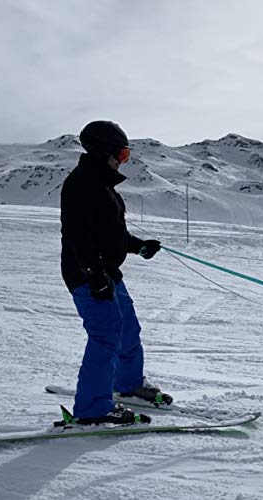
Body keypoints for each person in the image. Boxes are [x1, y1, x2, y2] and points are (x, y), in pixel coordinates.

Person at [60, 120, 172, 425]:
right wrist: (93, 276)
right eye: (122, 154)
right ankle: (93, 409)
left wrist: (138, 246)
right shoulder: (82, 183)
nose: (124, 160)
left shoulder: (101, 184)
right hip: (87, 274)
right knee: (105, 335)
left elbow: (110, 234)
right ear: (103, 151)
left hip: (106, 271)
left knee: (127, 329)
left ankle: (128, 386)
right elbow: (78, 237)